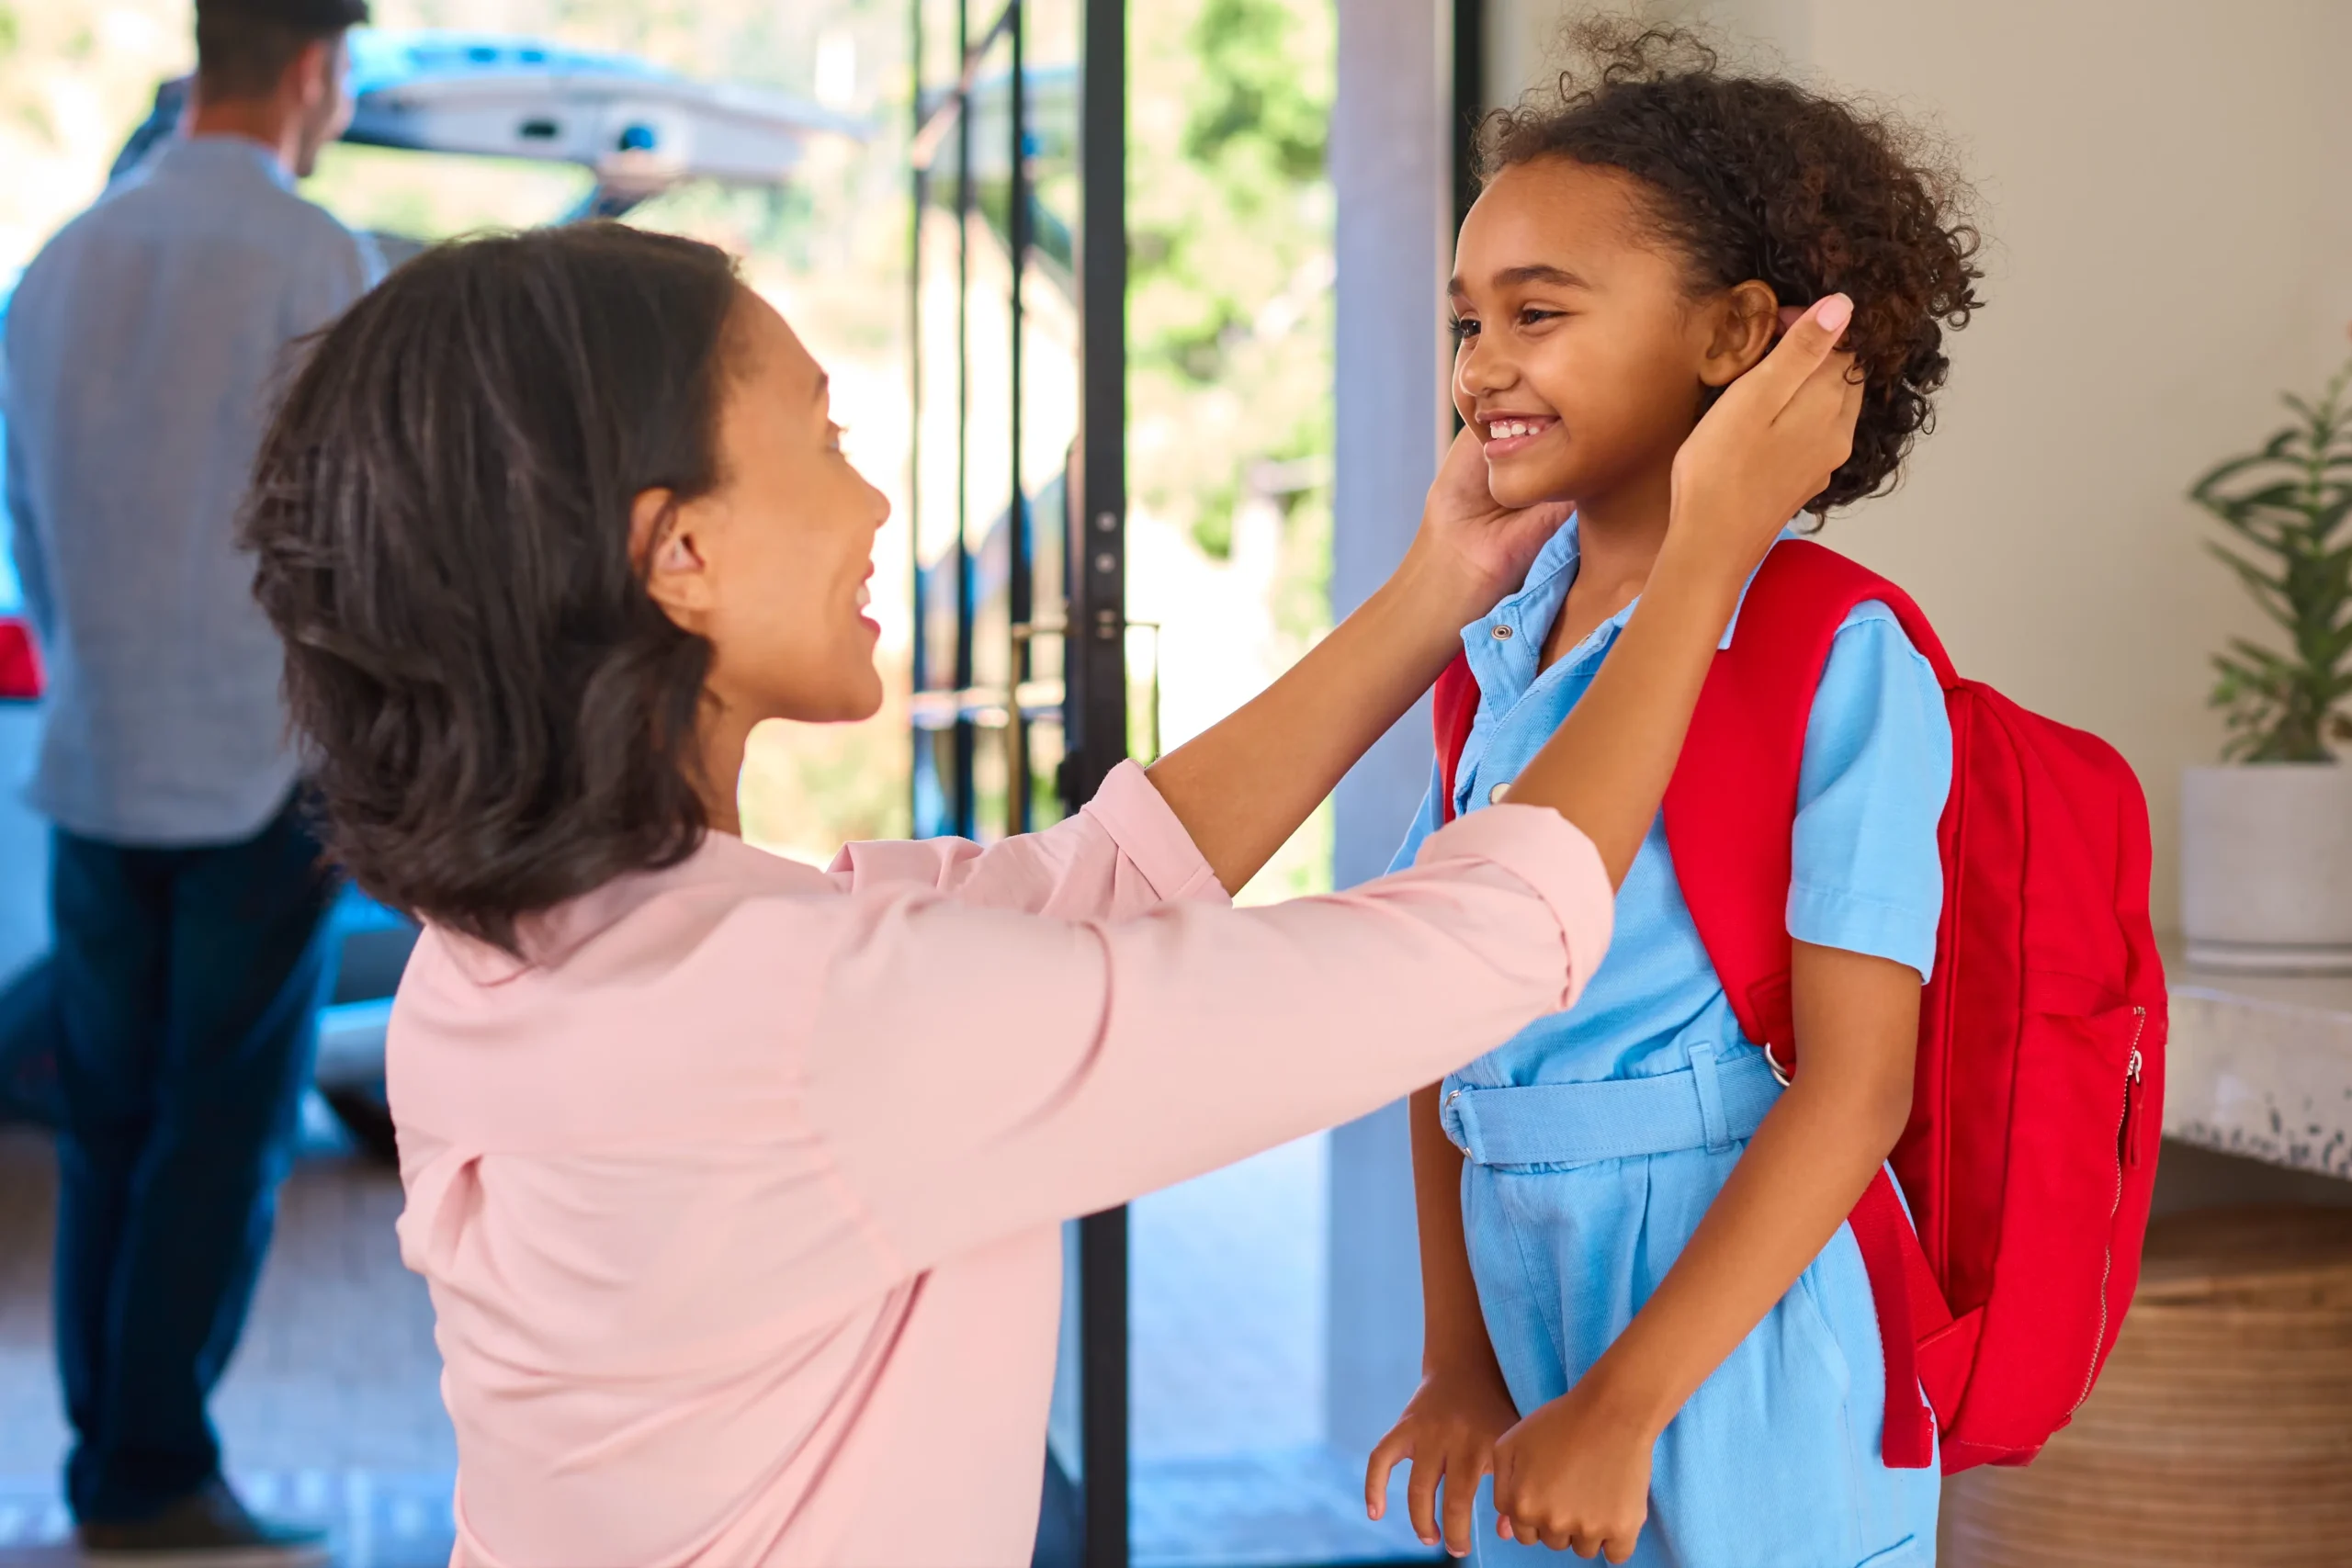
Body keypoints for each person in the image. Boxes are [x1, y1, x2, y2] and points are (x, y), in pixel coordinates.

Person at [237, 219, 1860, 1567]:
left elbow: (1093, 885)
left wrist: (1446, 582)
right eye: (822, 440)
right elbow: (1487, 938)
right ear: (678, 557)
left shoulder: (518, 955)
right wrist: (1707, 555)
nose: (876, 504)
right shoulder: (809, 1024)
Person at [1362, 23, 1983, 1568]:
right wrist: (1462, 1360)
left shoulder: (1834, 652)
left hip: (1735, 1335)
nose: (1481, 363)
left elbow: (1858, 1086)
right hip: (1527, 1331)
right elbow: (1437, 1026)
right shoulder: (1493, 652)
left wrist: (1631, 1400)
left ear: (1737, 336)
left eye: (1540, 312)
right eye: (1467, 319)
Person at [2, 0, 378, 1556]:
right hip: (254, 771)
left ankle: (111, 1457)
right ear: (310, 69)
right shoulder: (317, 260)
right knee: (221, 1128)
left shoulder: (61, 261)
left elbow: (27, 523)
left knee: (107, 1121)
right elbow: (353, 544)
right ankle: (155, 1470)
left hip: (99, 759)